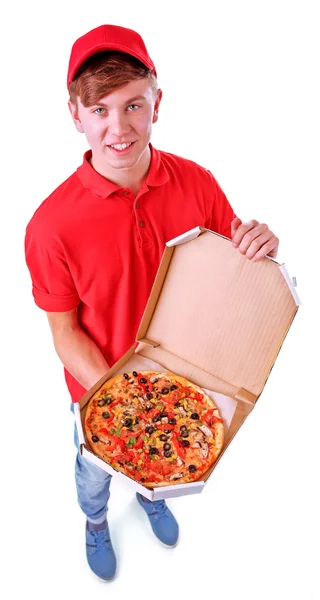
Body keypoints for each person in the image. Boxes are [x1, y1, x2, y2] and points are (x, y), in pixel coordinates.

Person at [24, 24, 279, 582]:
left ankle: (151, 497)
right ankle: (95, 521)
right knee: (94, 474)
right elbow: (65, 334)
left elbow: (235, 273)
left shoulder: (198, 183)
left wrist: (260, 249)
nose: (119, 128)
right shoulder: (49, 226)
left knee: (161, 464)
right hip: (101, 388)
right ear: (75, 115)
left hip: (186, 380)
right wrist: (129, 404)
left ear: (157, 104)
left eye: (134, 105)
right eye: (100, 110)